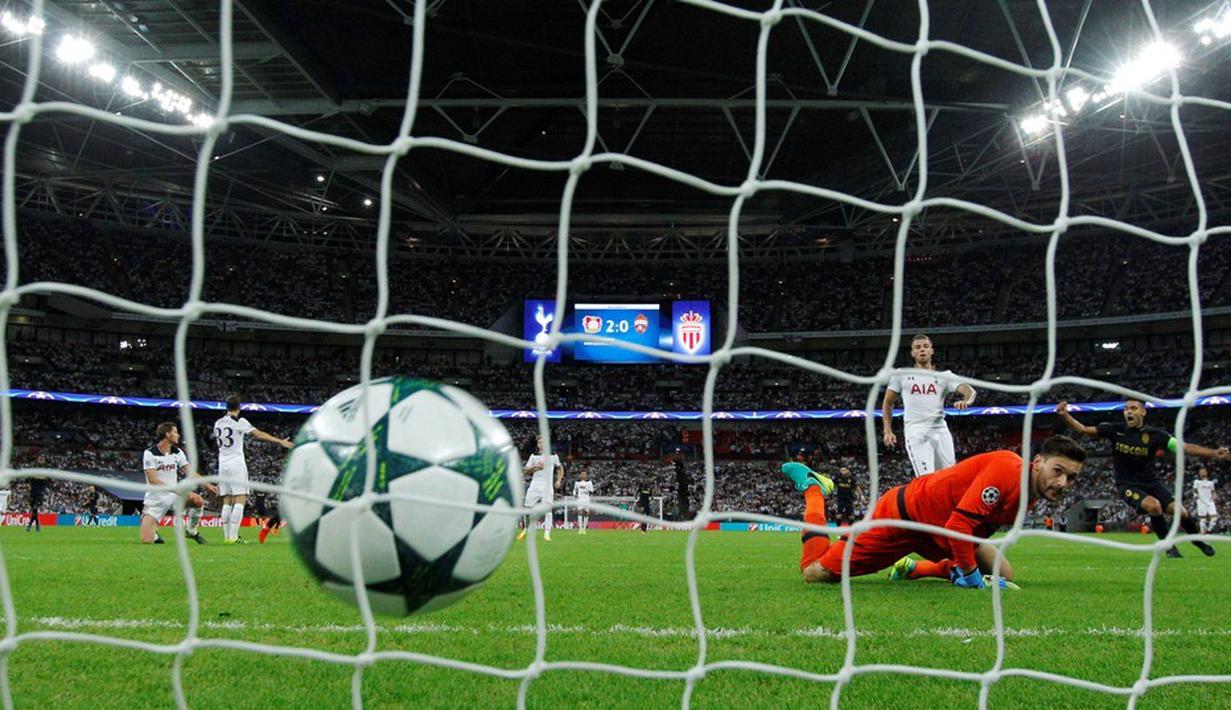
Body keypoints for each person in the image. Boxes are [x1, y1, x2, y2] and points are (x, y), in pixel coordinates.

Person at [780, 435, 1087, 588]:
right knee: (815, 573)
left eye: (1071, 477)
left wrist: (970, 565)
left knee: (1005, 574)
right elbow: (959, 524)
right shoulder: (1008, 470)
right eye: (1058, 470)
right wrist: (970, 575)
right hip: (901, 518)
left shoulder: (1029, 497)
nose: (1062, 482)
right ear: (1038, 463)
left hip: (938, 531)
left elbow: (968, 528)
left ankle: (913, 568)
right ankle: (814, 488)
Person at [1056, 399, 1224, 557]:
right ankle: (1169, 547)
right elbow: (1083, 430)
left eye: (1133, 408)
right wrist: (1065, 415)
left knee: (1181, 512)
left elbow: (1184, 447)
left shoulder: (1156, 435)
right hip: (1127, 484)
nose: (1129, 412)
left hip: (1151, 482)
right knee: (1154, 507)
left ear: (1143, 412)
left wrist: (1213, 453)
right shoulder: (1115, 430)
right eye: (1126, 409)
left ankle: (1198, 541)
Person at [882, 334, 977, 477]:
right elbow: (888, 403)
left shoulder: (945, 376)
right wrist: (887, 431)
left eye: (926, 347)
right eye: (918, 347)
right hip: (916, 430)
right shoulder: (901, 375)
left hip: (940, 430)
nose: (922, 350)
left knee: (949, 478)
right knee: (927, 481)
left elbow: (969, 391)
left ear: (932, 351)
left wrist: (967, 400)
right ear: (912, 353)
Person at [213, 396, 293, 544]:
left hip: (222, 463)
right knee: (240, 497)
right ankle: (234, 537)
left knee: (227, 500)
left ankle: (226, 537)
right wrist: (280, 441)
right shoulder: (240, 422)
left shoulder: (218, 423)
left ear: (226, 407)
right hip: (236, 462)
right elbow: (259, 435)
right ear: (239, 407)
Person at [141, 422, 218, 545]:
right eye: (175, 432)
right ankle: (155, 534)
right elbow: (152, 480)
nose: (178, 435)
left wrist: (208, 485)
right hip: (155, 499)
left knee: (198, 500)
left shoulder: (177, 452)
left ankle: (191, 531)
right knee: (146, 540)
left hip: (173, 496)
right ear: (167, 434)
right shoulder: (150, 453)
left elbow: (190, 472)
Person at [517, 435, 564, 542]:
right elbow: (525, 472)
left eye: (543, 442)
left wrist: (559, 480)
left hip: (547, 486)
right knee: (528, 508)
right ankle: (525, 530)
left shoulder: (553, 456)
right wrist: (535, 467)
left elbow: (560, 468)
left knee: (547, 509)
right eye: (539, 443)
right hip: (535, 485)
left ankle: (547, 534)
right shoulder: (533, 456)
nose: (541, 444)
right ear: (537, 445)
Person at [1193, 467, 1218, 535]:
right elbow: (1195, 491)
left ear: (1207, 472)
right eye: (1201, 472)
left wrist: (1214, 496)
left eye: (1204, 471)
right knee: (1203, 519)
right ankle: (1203, 534)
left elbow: (1213, 491)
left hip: (1210, 502)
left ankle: (1209, 531)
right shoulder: (1197, 482)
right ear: (1199, 473)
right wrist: (1195, 495)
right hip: (1201, 502)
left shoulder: (1211, 483)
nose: (1202, 473)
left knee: (1214, 518)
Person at [572, 467, 595, 534]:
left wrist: (586, 488)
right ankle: (580, 529)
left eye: (584, 474)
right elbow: (574, 489)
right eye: (582, 474)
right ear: (580, 475)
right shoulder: (577, 482)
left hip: (587, 499)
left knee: (586, 513)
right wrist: (574, 494)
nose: (583, 475)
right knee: (580, 512)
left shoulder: (589, 482)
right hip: (580, 499)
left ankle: (584, 529)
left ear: (586, 475)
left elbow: (592, 490)